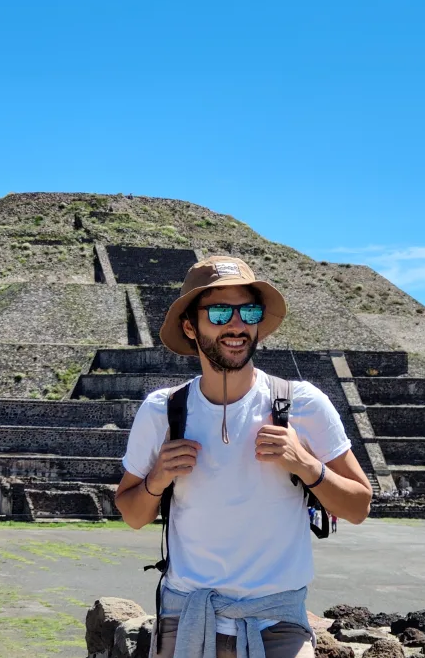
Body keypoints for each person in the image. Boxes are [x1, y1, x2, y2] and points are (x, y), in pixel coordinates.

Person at [114, 256, 373, 658]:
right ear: (190, 326)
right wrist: (157, 478)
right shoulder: (162, 411)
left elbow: (358, 506)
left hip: (277, 626)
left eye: (247, 311)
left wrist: (307, 465)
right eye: (219, 312)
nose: (235, 325)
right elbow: (132, 514)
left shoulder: (302, 404)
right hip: (187, 619)